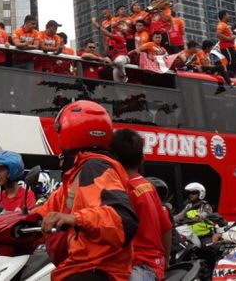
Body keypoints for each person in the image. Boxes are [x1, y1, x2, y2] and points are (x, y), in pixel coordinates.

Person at [31, 101, 138, 281]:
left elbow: (122, 220)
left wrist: (75, 219)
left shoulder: (95, 167)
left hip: (98, 270)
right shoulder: (76, 176)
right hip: (79, 267)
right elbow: (44, 211)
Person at [110, 129, 171, 280]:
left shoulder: (121, 189)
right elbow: (166, 228)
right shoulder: (148, 186)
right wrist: (166, 261)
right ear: (142, 159)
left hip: (136, 266)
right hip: (153, 265)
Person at [91, 17, 130, 82]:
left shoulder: (121, 38)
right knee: (117, 84)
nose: (116, 32)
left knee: (119, 61)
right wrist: (106, 43)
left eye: (119, 32)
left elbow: (108, 33)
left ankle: (123, 75)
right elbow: (107, 53)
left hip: (124, 58)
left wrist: (96, 25)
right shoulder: (112, 42)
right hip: (116, 64)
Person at [217, 11, 236, 77]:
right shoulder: (221, 24)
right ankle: (226, 75)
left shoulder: (226, 26)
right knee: (230, 62)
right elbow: (218, 34)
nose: (229, 16)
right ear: (224, 16)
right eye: (228, 15)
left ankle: (231, 75)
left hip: (231, 46)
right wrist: (229, 39)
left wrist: (234, 35)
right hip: (226, 47)